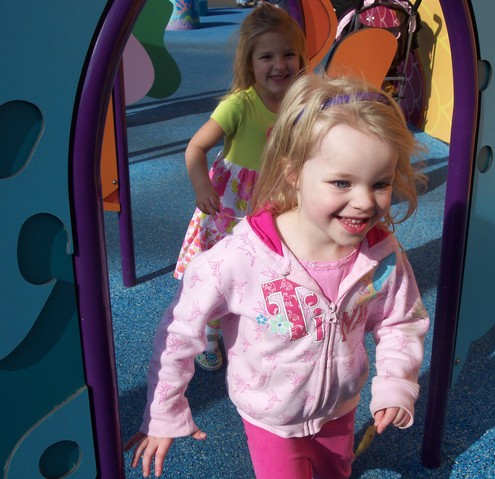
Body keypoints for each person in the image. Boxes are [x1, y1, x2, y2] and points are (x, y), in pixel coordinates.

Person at [125, 74, 430, 479]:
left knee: (335, 473)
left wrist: (396, 383)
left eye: (380, 183)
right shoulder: (243, 257)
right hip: (269, 418)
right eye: (342, 182)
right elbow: (180, 330)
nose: (363, 201)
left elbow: (401, 320)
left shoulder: (380, 254)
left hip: (340, 408)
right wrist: (163, 410)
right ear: (293, 173)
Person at [173, 2, 307, 371]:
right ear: (250, 63)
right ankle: (210, 332)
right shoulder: (239, 105)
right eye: (267, 56)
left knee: (276, 267)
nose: (279, 65)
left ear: (301, 58)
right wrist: (203, 187)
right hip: (232, 204)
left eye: (288, 54)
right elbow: (196, 147)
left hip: (278, 199)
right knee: (225, 269)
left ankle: (267, 331)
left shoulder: (302, 105)